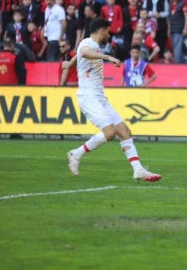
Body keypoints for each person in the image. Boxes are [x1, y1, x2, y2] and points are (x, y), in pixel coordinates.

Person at [63, 18, 161, 182]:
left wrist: (70, 63)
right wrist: (108, 57)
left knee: (124, 131)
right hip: (89, 96)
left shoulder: (92, 46)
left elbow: (80, 55)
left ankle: (138, 170)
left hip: (100, 97)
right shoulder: (87, 43)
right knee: (109, 132)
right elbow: (85, 52)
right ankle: (76, 154)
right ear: (101, 30)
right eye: (108, 31)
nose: (109, 35)